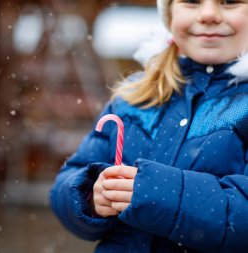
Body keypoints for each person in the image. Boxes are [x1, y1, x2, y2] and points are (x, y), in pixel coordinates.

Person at [50, 0, 248, 252]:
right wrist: (90, 196)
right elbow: (66, 183)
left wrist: (151, 191)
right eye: (191, 2)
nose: (208, 14)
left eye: (230, 2)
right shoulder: (135, 97)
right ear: (169, 13)